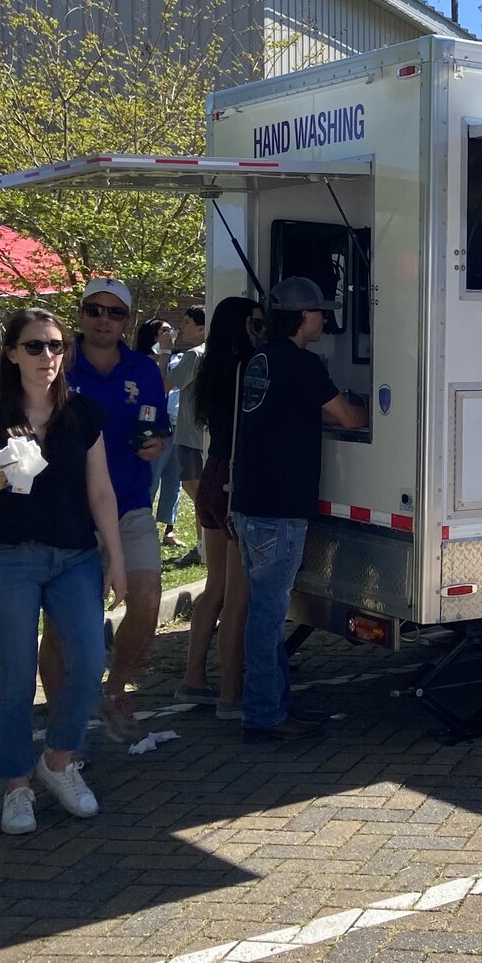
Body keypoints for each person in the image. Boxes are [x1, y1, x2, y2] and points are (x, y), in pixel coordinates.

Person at [0, 308, 126, 835]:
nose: (48, 356)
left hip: (74, 558)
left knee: (90, 661)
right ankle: (15, 785)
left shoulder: (82, 413)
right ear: (11, 353)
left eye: (55, 346)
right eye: (35, 346)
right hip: (6, 559)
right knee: (18, 677)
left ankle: (60, 761)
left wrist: (114, 558)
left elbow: (100, 491)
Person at [233, 278, 366, 740]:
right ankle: (264, 715)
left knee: (265, 613)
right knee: (269, 616)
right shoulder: (302, 364)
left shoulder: (260, 359)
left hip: (250, 503)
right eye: (319, 312)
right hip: (279, 507)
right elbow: (348, 418)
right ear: (302, 317)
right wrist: (374, 412)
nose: (324, 319)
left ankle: (275, 705)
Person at [38, 280, 167, 742]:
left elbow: (157, 427)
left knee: (148, 598)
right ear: (81, 314)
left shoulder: (145, 370)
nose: (104, 320)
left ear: (127, 321)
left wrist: (155, 445)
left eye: (114, 313)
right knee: (59, 624)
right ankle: (62, 726)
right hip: (67, 511)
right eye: (94, 310)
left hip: (129, 505)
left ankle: (115, 690)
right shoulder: (57, 364)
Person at [183, 297, 259, 715]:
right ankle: (232, 693)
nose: (260, 329)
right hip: (233, 481)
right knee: (237, 598)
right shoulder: (247, 367)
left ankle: (193, 677)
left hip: (211, 474)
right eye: (256, 322)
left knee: (215, 587)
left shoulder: (209, 365)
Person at [136, 318, 185, 550]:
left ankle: (169, 529)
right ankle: (144, 528)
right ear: (153, 336)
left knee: (174, 480)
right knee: (152, 480)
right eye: (165, 331)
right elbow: (157, 386)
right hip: (153, 430)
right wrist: (164, 353)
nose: (172, 334)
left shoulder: (177, 359)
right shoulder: (142, 363)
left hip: (174, 427)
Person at [165, 307, 207, 572]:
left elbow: (165, 385)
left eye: (188, 322)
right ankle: (204, 546)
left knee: (199, 496)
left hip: (190, 437)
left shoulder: (193, 355)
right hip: (203, 435)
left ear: (203, 328)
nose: (183, 327)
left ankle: (203, 548)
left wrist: (163, 352)